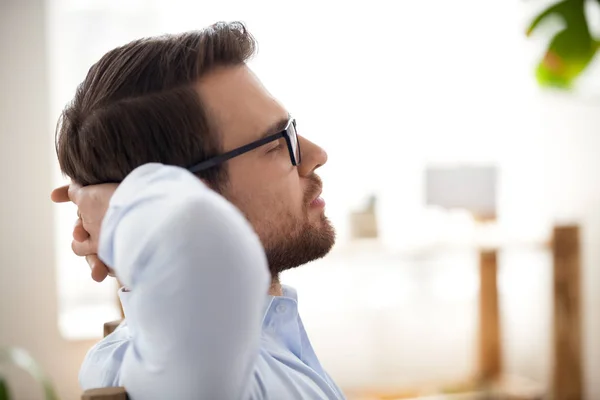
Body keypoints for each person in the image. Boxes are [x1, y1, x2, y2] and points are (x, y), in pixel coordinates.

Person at [51, 21, 343, 399]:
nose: (316, 155)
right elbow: (200, 234)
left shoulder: (262, 347)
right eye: (276, 143)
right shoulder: (190, 374)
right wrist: (107, 206)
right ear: (190, 194)